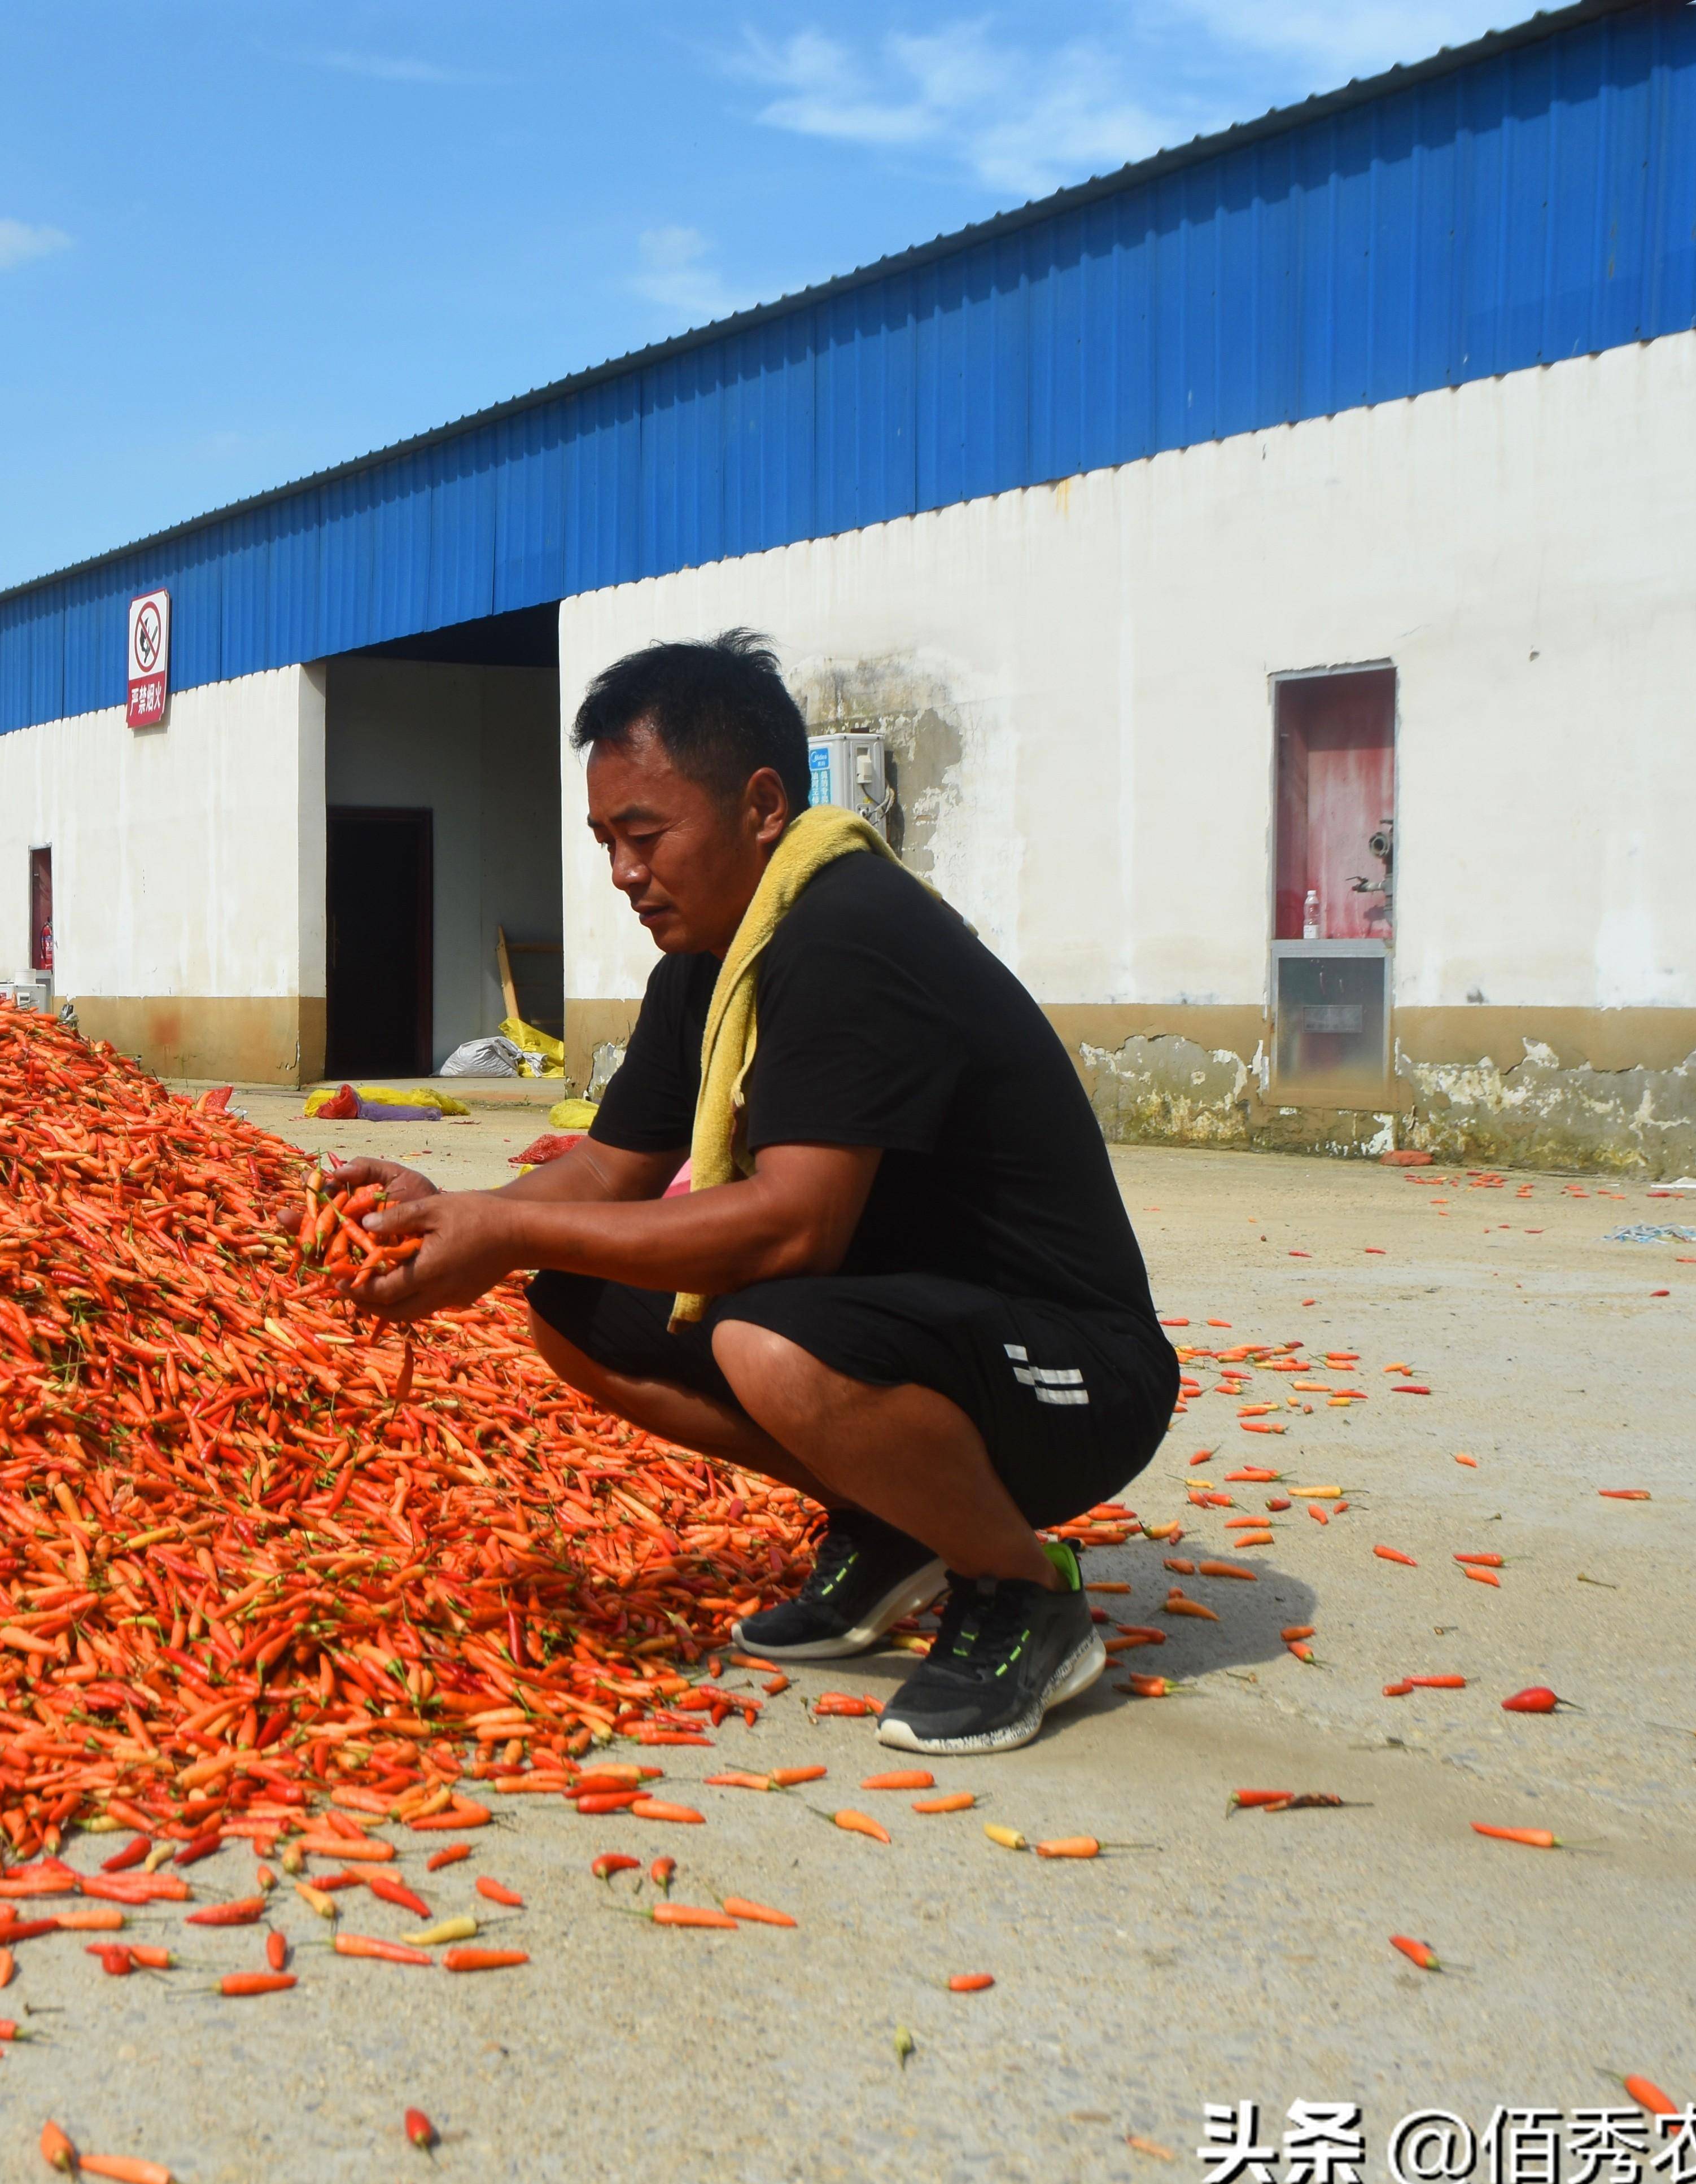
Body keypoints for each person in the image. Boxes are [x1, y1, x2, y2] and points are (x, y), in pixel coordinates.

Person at [329, 632, 1178, 1757]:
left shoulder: (847, 932)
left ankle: (1022, 1587)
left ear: (763, 805)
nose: (625, 873)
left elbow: (792, 1220)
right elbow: (615, 1169)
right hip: (922, 1326)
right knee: (570, 1302)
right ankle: (894, 1522)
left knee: (770, 1340)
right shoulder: (708, 963)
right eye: (607, 843)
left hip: (1077, 1368)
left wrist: (508, 1225)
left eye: (645, 835)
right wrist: (456, 1212)